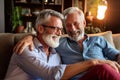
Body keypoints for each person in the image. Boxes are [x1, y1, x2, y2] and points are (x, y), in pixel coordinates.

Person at [12, 8, 120, 80]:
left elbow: (117, 55)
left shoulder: (99, 40)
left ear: (84, 23)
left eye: (76, 24)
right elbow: (43, 38)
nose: (72, 29)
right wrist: (30, 37)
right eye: (68, 25)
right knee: (103, 69)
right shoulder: (58, 43)